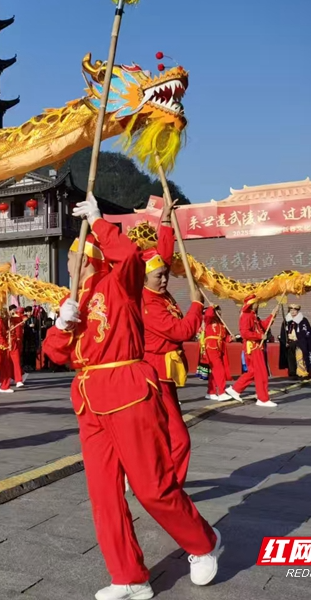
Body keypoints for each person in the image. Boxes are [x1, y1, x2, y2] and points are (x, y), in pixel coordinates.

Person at [42, 192, 221, 599]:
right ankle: (130, 577)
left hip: (128, 390)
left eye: (74, 254)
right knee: (104, 496)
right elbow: (55, 355)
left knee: (152, 486)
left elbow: (130, 259)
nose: (69, 261)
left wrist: (102, 222)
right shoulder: (72, 300)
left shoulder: (117, 284)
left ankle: (203, 542)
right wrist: (60, 325)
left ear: (87, 258)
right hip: (89, 398)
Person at [140, 206, 203, 489]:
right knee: (178, 438)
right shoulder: (148, 304)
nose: (165, 279)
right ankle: (169, 489)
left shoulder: (158, 291)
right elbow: (182, 331)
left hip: (166, 373)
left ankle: (153, 480)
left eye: (166, 274)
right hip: (155, 375)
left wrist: (165, 222)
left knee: (162, 434)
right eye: (159, 276)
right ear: (144, 278)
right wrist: (197, 305)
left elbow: (162, 257)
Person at [226, 296, 279, 407]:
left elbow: (263, 326)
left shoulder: (253, 316)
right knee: (261, 373)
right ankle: (263, 399)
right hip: (253, 347)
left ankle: (235, 389)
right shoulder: (247, 315)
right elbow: (245, 333)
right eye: (256, 303)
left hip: (255, 347)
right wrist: (260, 336)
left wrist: (272, 315)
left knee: (253, 372)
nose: (257, 305)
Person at [200, 306, 230, 401]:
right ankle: (221, 392)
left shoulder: (221, 324)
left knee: (214, 371)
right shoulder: (208, 321)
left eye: (219, 310)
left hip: (219, 348)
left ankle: (211, 391)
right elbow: (208, 314)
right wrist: (211, 307)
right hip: (211, 347)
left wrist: (230, 338)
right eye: (217, 310)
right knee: (219, 369)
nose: (219, 312)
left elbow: (225, 337)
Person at [278, 304, 311, 380]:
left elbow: (307, 331)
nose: (293, 312)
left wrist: (302, 339)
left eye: (294, 310)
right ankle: (292, 372)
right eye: (291, 310)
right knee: (290, 358)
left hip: (299, 342)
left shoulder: (303, 320)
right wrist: (285, 341)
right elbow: (283, 332)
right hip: (290, 342)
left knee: (300, 357)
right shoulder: (287, 321)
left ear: (297, 311)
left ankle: (302, 373)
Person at [8, 306, 27, 387]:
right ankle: (7, 378)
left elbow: (23, 317)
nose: (14, 311)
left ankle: (18, 379)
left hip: (15, 342)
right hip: (6, 342)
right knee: (7, 362)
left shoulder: (17, 317)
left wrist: (24, 318)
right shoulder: (6, 318)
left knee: (16, 361)